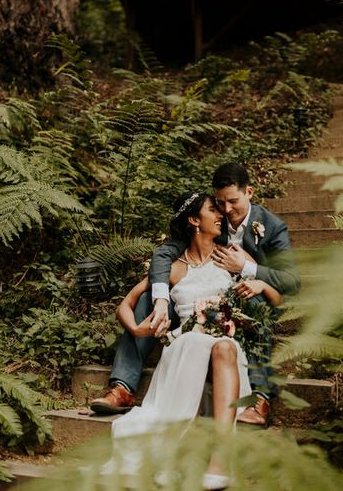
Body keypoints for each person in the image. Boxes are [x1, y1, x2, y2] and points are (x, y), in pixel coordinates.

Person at [91, 162, 299, 426]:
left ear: (249, 192)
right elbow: (165, 253)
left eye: (232, 202)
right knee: (148, 299)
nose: (225, 211)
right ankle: (122, 387)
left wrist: (249, 271)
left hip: (244, 296)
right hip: (191, 309)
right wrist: (161, 298)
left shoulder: (272, 227)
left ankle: (260, 395)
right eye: (219, 204)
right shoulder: (211, 221)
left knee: (253, 300)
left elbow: (291, 282)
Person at [105, 191, 282, 490]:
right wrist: (137, 330)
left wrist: (260, 282)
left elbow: (275, 300)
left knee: (226, 346)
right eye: (213, 209)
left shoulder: (232, 257)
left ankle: (220, 459)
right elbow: (125, 304)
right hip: (185, 344)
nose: (220, 215)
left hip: (224, 344)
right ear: (193, 220)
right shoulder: (173, 268)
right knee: (203, 344)